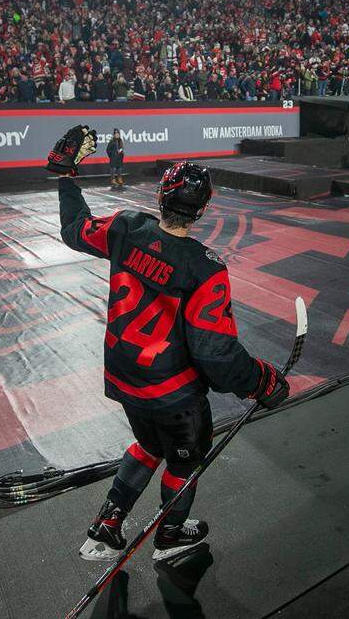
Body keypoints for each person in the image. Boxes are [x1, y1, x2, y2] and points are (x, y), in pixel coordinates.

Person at [45, 126, 290, 562]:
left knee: (148, 445)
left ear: (160, 196)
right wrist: (262, 382)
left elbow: (74, 228)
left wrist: (66, 176)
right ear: (204, 209)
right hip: (172, 392)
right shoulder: (204, 267)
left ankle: (107, 524)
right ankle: (171, 533)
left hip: (124, 377)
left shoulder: (124, 227)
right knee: (184, 460)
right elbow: (215, 354)